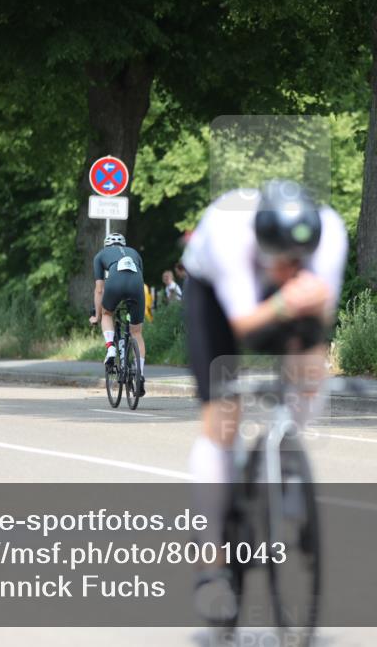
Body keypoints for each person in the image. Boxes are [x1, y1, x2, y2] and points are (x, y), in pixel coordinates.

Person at [180, 179, 348, 621]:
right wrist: (287, 300)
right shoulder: (229, 233)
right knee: (222, 417)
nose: (289, 268)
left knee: (311, 369)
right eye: (281, 262)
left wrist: (307, 371)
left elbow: (319, 320)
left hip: (274, 297)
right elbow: (244, 326)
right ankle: (212, 567)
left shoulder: (330, 233)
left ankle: (286, 469)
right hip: (216, 296)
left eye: (298, 261)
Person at [89, 233, 147, 396]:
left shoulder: (100, 255)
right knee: (137, 332)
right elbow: (139, 276)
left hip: (114, 284)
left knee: (107, 314)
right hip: (137, 286)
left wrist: (97, 315)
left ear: (106, 245)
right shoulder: (135, 253)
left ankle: (111, 348)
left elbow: (99, 289)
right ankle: (140, 375)